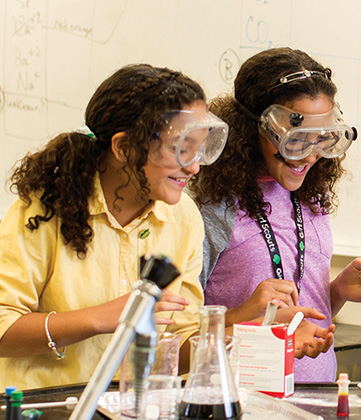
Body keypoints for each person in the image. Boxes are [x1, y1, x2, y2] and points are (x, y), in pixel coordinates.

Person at [0, 64, 223, 389]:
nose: (194, 166)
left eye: (199, 150)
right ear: (123, 148)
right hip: (46, 405)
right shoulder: (44, 207)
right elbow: (4, 329)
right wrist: (99, 318)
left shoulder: (184, 217)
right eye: (180, 149)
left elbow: (178, 338)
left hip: (130, 406)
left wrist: (240, 337)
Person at [190, 47, 361, 383]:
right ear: (250, 129)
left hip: (316, 396)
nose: (309, 155)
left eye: (322, 139)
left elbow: (303, 315)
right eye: (295, 141)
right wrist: (254, 322)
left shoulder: (309, 198)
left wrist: (337, 291)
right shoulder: (214, 208)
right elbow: (182, 337)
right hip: (238, 401)